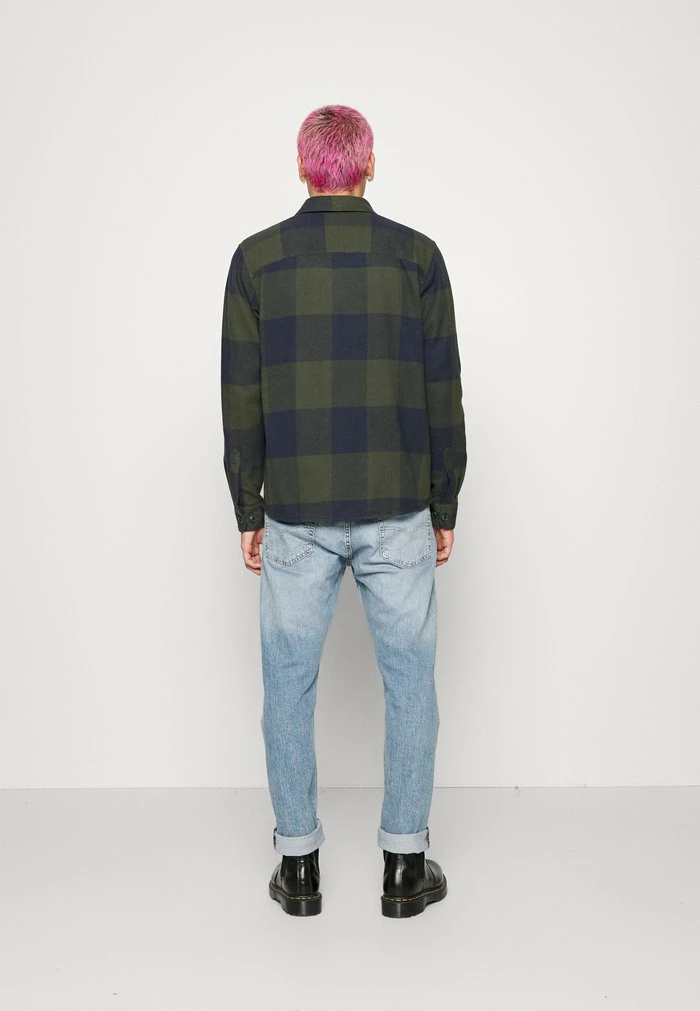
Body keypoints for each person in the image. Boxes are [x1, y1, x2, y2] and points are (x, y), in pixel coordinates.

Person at [220, 104, 467, 918]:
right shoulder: (417, 257)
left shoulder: (257, 261)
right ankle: (405, 867)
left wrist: (248, 505)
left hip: (296, 512)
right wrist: (445, 496)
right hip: (398, 507)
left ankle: (298, 868)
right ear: (368, 166)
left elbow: (241, 395)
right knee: (412, 685)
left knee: (287, 687)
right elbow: (443, 388)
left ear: (304, 167)